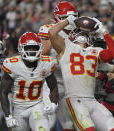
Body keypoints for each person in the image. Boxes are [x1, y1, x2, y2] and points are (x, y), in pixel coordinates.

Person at [49, 15, 114, 131]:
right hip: (74, 99)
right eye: (78, 31)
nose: (82, 34)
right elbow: (52, 33)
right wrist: (68, 20)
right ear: (72, 35)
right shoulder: (66, 46)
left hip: (92, 100)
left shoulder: (95, 51)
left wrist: (103, 30)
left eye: (84, 33)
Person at [0, 32, 59, 131]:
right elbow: (3, 92)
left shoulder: (46, 63)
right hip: (18, 109)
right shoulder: (12, 65)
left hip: (37, 107)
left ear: (40, 48)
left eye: (34, 48)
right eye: (28, 48)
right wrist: (8, 116)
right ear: (20, 48)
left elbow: (53, 87)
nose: (31, 51)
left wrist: (54, 103)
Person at [38, 1, 80, 130]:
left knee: (69, 122)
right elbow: (42, 53)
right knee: (49, 119)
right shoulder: (49, 29)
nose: (70, 21)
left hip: (71, 80)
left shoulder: (80, 32)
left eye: (72, 17)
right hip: (52, 80)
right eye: (66, 18)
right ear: (58, 17)